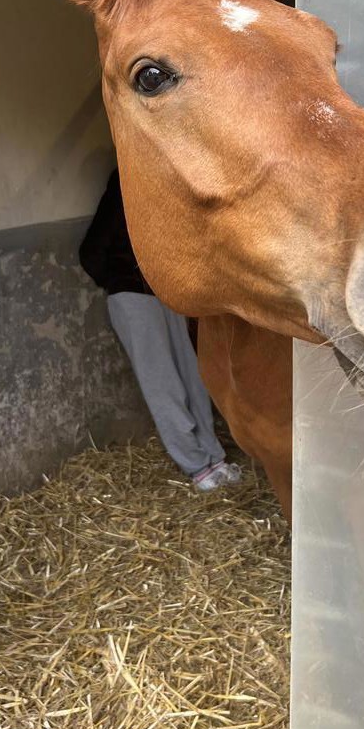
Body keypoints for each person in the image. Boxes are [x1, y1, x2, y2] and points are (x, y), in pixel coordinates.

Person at [79, 168, 242, 492]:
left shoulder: (169, 188)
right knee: (164, 384)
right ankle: (197, 467)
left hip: (164, 293)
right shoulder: (125, 184)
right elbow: (91, 253)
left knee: (193, 377)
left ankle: (214, 458)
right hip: (133, 298)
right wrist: (120, 280)